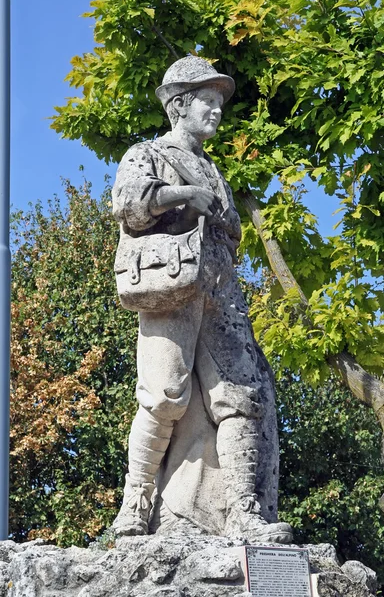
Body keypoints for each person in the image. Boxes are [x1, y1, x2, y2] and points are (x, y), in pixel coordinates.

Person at [112, 56, 292, 544]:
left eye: (218, 103)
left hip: (221, 294)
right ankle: (136, 502)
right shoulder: (147, 154)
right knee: (164, 395)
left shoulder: (215, 171)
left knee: (241, 399)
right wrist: (181, 194)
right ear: (179, 106)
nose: (216, 112)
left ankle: (241, 511)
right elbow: (126, 201)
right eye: (207, 102)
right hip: (171, 289)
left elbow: (230, 231)